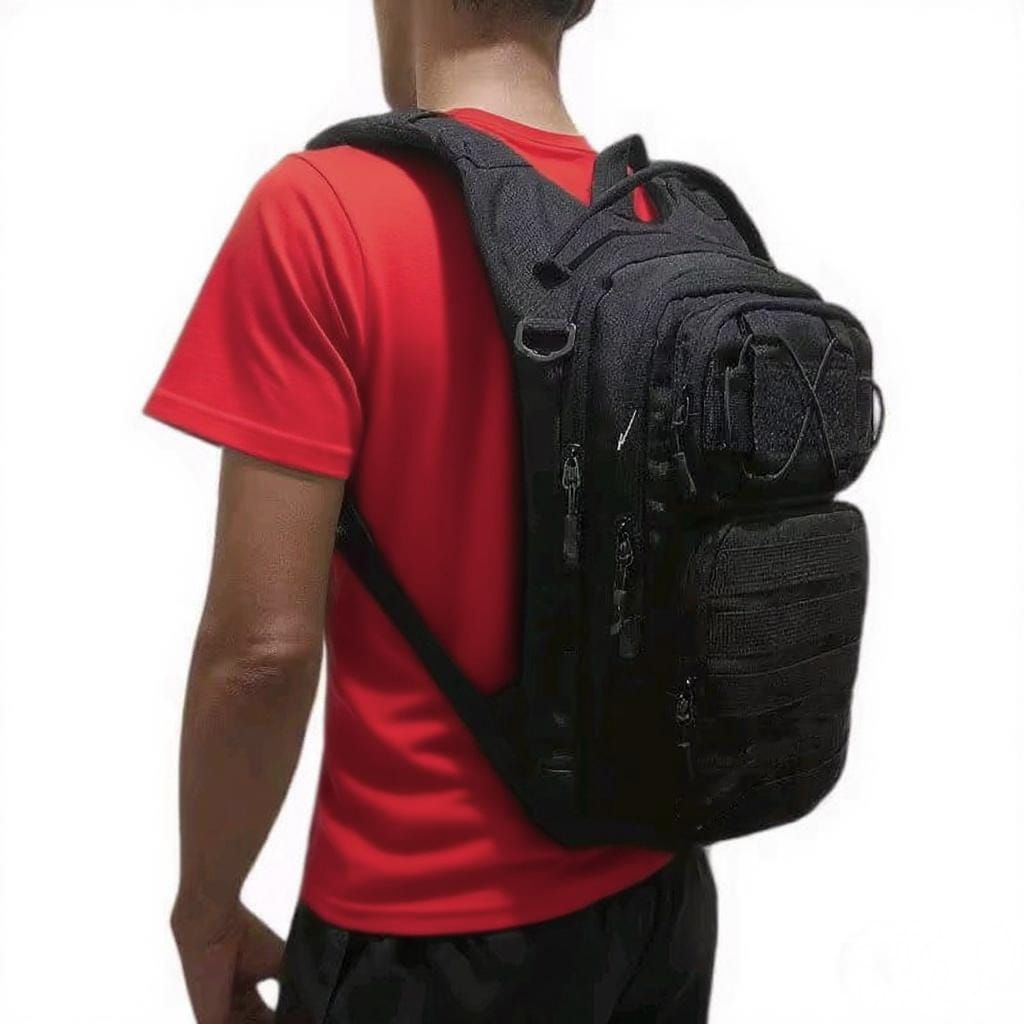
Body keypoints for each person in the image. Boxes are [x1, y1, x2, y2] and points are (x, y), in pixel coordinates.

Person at [145, 1, 717, 1021]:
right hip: (659, 902)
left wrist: (206, 908)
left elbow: (261, 655)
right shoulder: (655, 223)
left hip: (426, 937)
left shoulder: (322, 209)